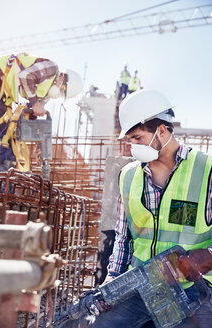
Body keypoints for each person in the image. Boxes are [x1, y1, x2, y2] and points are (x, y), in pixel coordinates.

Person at [65, 90, 212, 328]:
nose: (133, 146)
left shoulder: (206, 169)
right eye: (130, 140)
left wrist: (204, 258)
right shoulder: (129, 176)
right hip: (139, 286)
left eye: (137, 138)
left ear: (162, 131)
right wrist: (111, 286)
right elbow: (123, 240)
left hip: (194, 289)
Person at [0, 53, 82, 175]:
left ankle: (1, 187)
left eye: (62, 94)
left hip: (3, 95)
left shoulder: (45, 95)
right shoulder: (52, 68)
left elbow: (32, 119)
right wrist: (34, 103)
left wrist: (39, 142)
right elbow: (25, 76)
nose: (59, 94)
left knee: (10, 140)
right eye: (62, 90)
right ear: (61, 79)